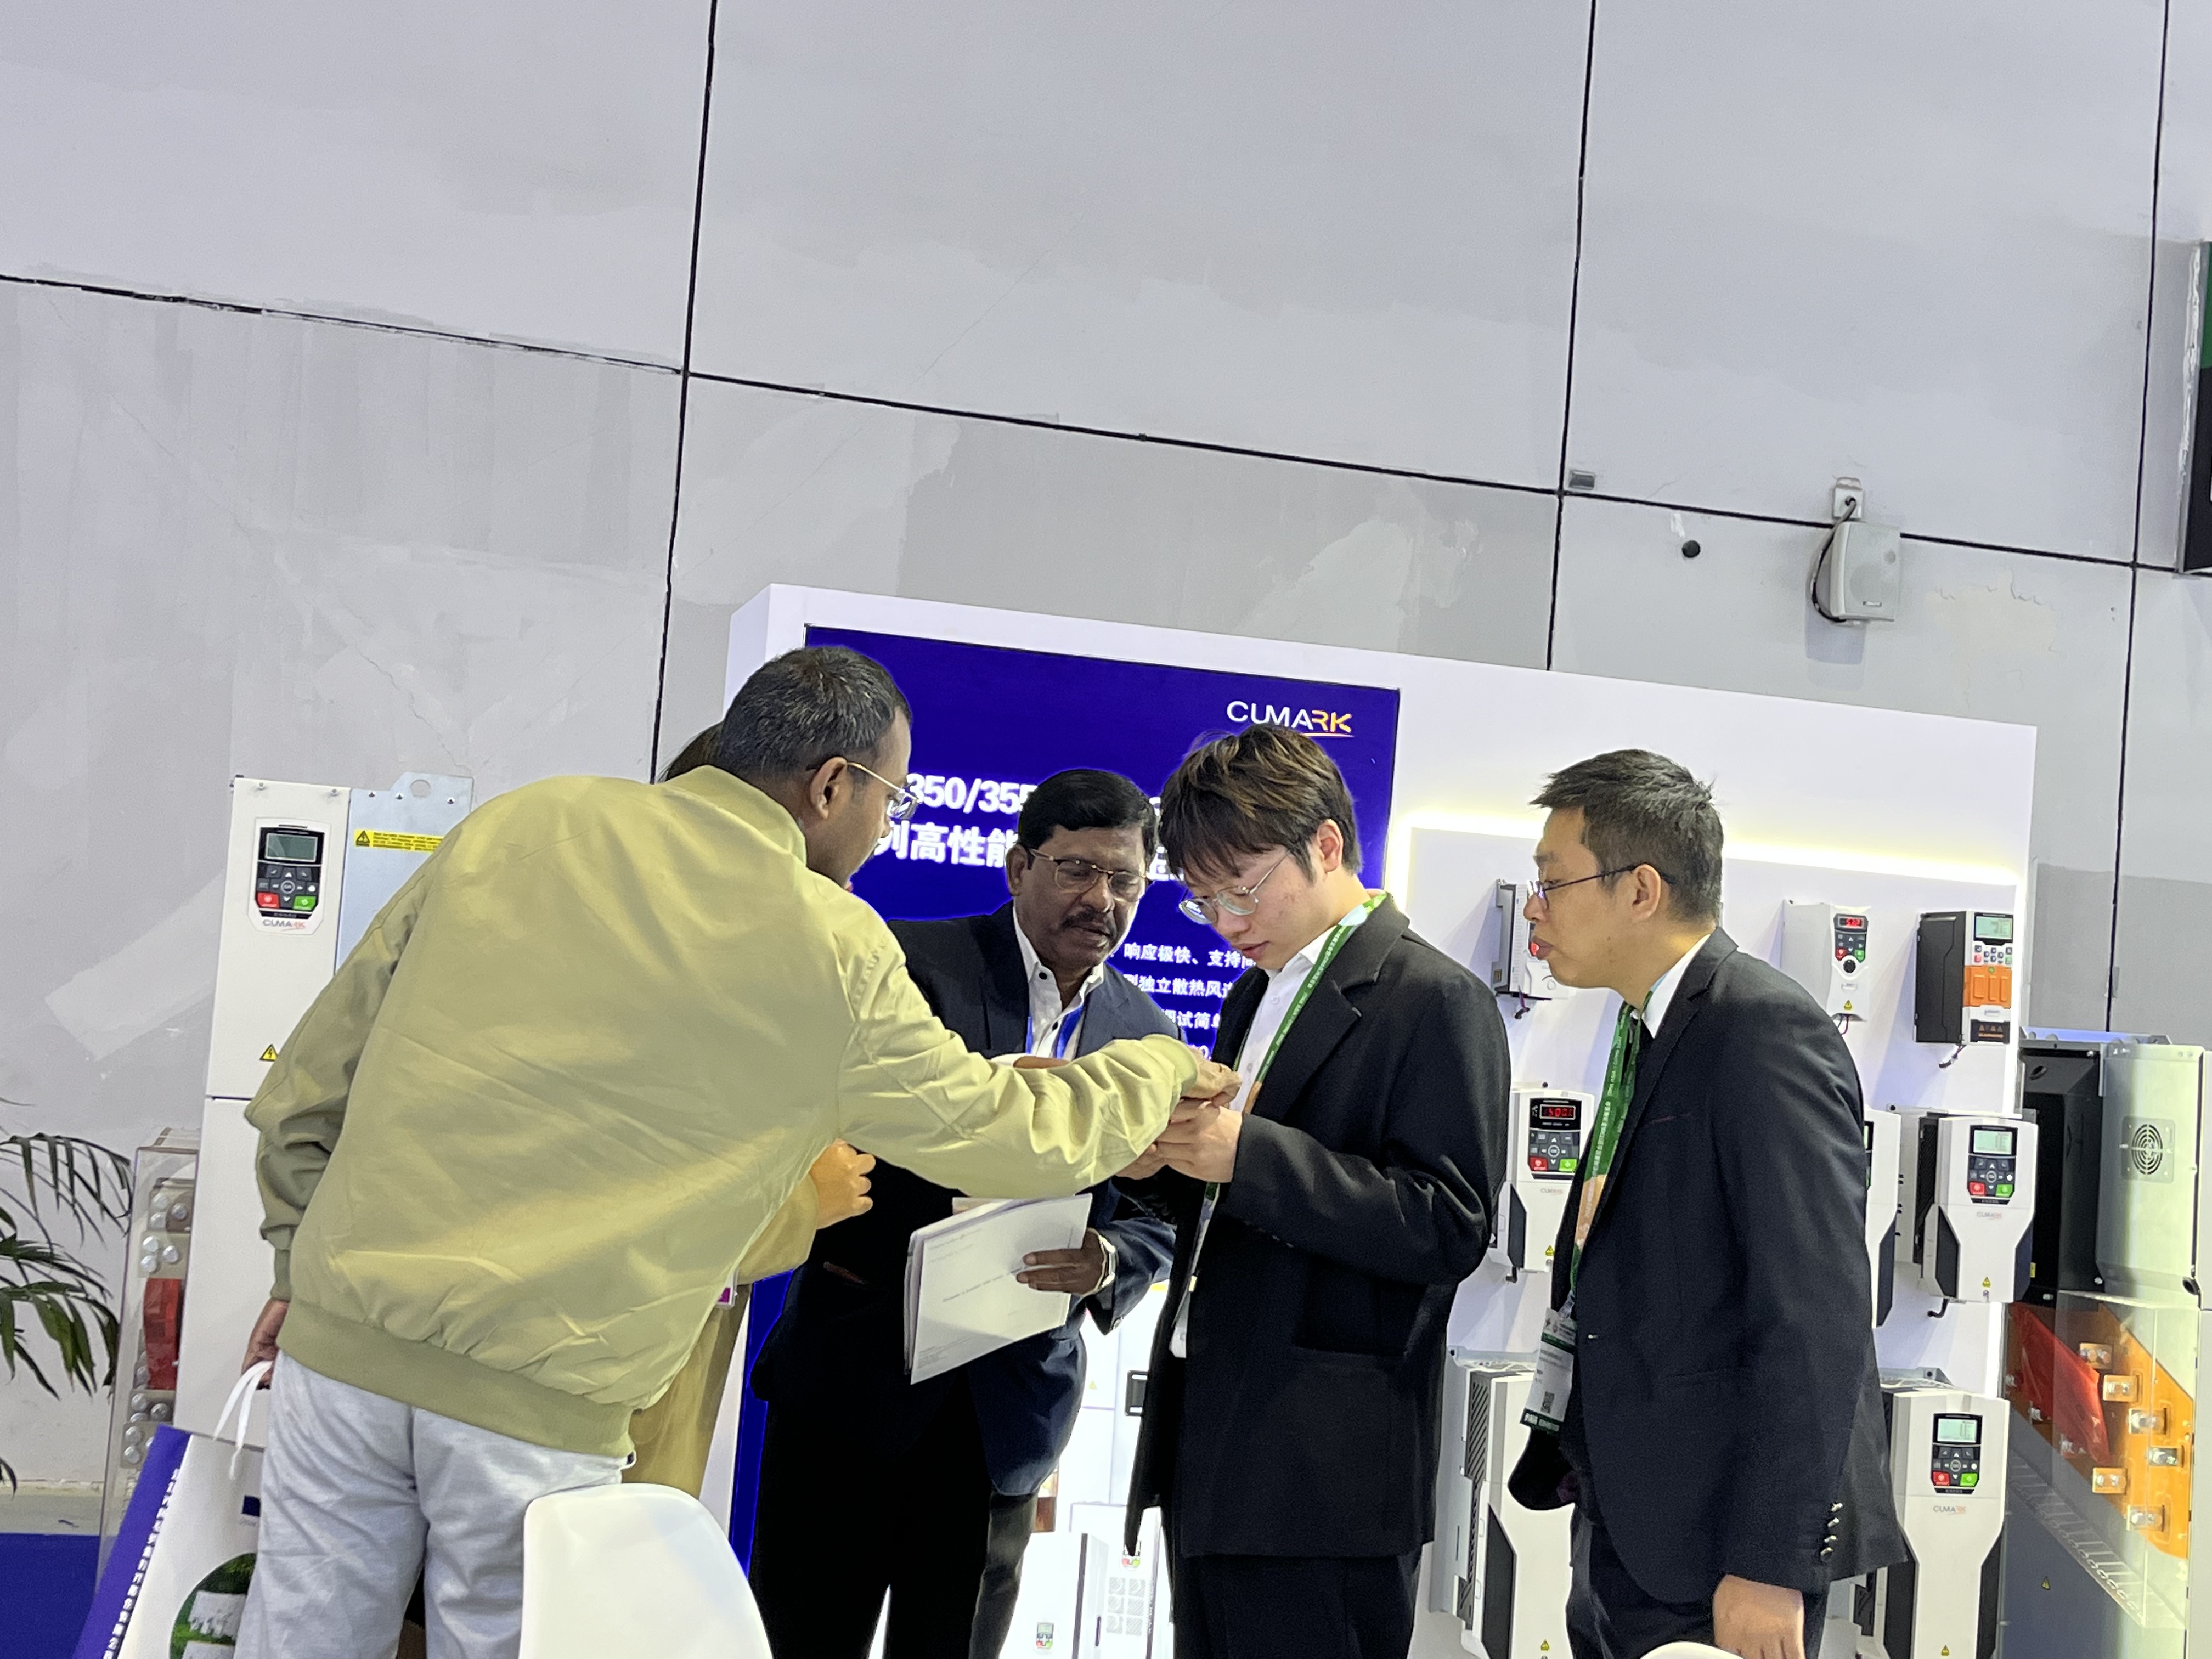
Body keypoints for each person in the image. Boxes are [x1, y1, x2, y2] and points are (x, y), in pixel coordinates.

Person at [233, 646, 1237, 1659]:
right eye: (891, 800)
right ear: (833, 785)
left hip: (337, 1359)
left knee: (297, 1641)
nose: (885, 830)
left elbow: (309, 1088)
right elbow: (1004, 1134)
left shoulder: (524, 822)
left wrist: (299, 1271)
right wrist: (1160, 1067)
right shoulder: (831, 940)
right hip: (535, 1406)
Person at [749, 768, 1180, 1658]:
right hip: (857, 1375)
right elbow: (822, 1117)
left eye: (1125, 880)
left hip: (1006, 1409)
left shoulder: (1147, 1039)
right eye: (1076, 869)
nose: (1101, 899)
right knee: (802, 1635)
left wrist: (1106, 1260)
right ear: (1019, 867)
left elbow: (1159, 1213)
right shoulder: (909, 966)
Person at [1503, 750, 1905, 1659]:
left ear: (1640, 890)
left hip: (1718, 1552)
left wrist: (1771, 1566)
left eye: (1553, 882)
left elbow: (1816, 1315)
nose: (1534, 908)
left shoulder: (1761, 1028)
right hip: (1631, 1519)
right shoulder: (1648, 1028)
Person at [1121, 724, 1510, 1659]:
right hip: (1216, 1436)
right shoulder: (1256, 994)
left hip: (1321, 1470)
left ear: (1326, 845)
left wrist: (1247, 1156)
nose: (1227, 922)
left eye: (1242, 888)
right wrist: (1162, 1161)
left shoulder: (1433, 997)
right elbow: (1234, 1207)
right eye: (1203, 900)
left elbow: (1449, 1223)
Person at [623, 721, 877, 1496]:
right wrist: (804, 1205)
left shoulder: (688, 959)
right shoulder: (663, 985)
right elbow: (625, 1219)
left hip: (656, 1372)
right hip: (599, 1390)